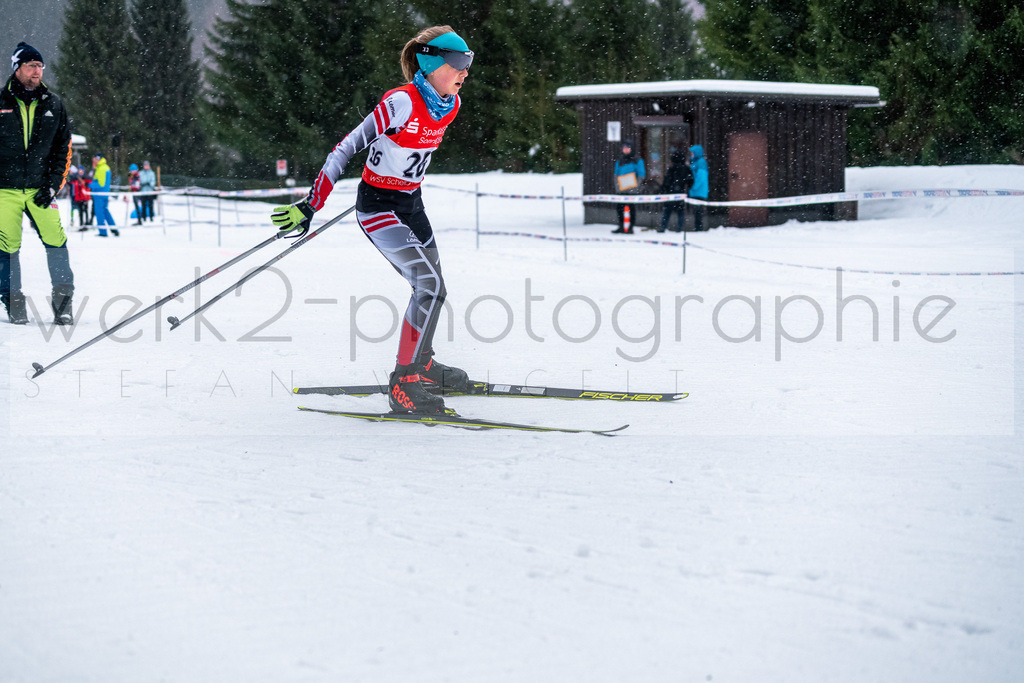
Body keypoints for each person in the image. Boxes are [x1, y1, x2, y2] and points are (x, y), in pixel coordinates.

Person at [271, 25, 473, 415]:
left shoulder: (451, 104)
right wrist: (311, 205)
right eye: (458, 63)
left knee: (435, 288)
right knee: (427, 285)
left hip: (411, 205)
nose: (465, 72)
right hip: (378, 207)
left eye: (469, 63)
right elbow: (345, 148)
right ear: (432, 63)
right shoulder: (401, 102)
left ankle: (425, 364)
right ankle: (404, 382)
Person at [0, 42, 75, 325]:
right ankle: (13, 301)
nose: (37, 71)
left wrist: (53, 185)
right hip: (4, 190)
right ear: (17, 68)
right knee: (7, 247)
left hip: (41, 189)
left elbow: (62, 148)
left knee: (56, 241)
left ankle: (63, 302)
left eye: (40, 66)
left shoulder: (53, 104)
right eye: (31, 65)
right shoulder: (1, 102)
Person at [612, 141, 644, 234]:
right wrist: (617, 187)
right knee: (619, 208)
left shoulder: (637, 160)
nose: (625, 150)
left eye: (627, 148)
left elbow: (641, 174)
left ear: (631, 149)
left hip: (632, 189)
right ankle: (621, 226)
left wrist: (636, 186)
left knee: (631, 208)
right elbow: (616, 174)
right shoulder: (620, 160)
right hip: (621, 189)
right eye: (624, 148)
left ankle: (630, 227)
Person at [658, 149, 693, 233]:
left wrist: (663, 189)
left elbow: (666, 181)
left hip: (670, 194)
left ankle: (663, 227)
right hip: (680, 194)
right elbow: (690, 181)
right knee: (680, 212)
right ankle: (679, 228)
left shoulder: (672, 169)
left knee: (667, 212)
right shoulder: (686, 169)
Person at [90, 152, 117, 236]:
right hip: (104, 193)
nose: (93, 161)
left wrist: (89, 185)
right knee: (105, 211)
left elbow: (101, 184)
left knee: (99, 213)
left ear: (97, 159)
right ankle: (114, 229)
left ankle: (103, 232)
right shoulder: (103, 167)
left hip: (99, 194)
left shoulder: (101, 168)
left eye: (94, 159)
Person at [689, 144, 709, 232]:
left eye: (692, 153)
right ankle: (698, 228)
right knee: (697, 211)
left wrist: (693, 187)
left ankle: (698, 228)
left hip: (698, 191)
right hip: (697, 191)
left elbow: (701, 178)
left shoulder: (700, 162)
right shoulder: (697, 162)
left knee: (698, 211)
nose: (691, 155)